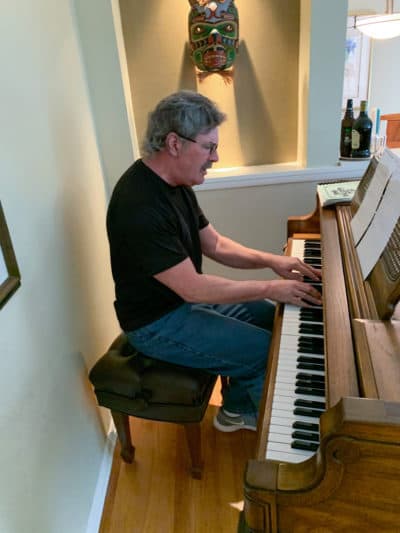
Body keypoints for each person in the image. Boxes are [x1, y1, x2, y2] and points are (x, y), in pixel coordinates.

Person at [106, 90, 322, 433]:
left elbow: (216, 245)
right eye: (209, 147)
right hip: (155, 323)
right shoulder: (139, 206)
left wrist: (274, 262)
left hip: (178, 305)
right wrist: (271, 286)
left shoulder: (176, 185)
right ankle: (242, 414)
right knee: (265, 351)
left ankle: (236, 405)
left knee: (272, 317)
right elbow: (193, 289)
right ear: (175, 143)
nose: (215, 157)